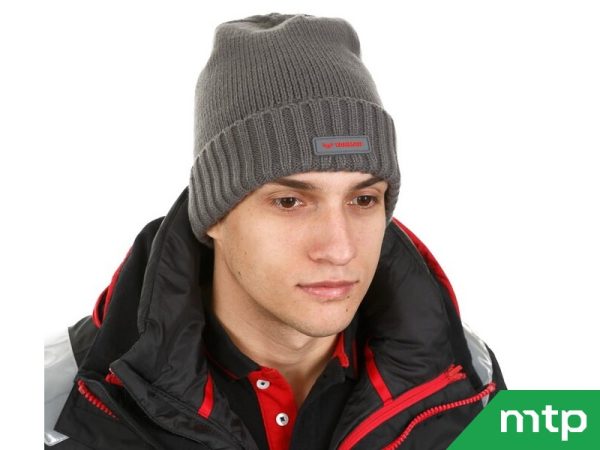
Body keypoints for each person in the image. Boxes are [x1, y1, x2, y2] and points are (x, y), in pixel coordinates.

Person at [44, 12, 506, 450]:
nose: (339, 248)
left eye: (363, 199)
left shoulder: (469, 378)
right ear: (214, 214)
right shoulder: (50, 399)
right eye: (289, 202)